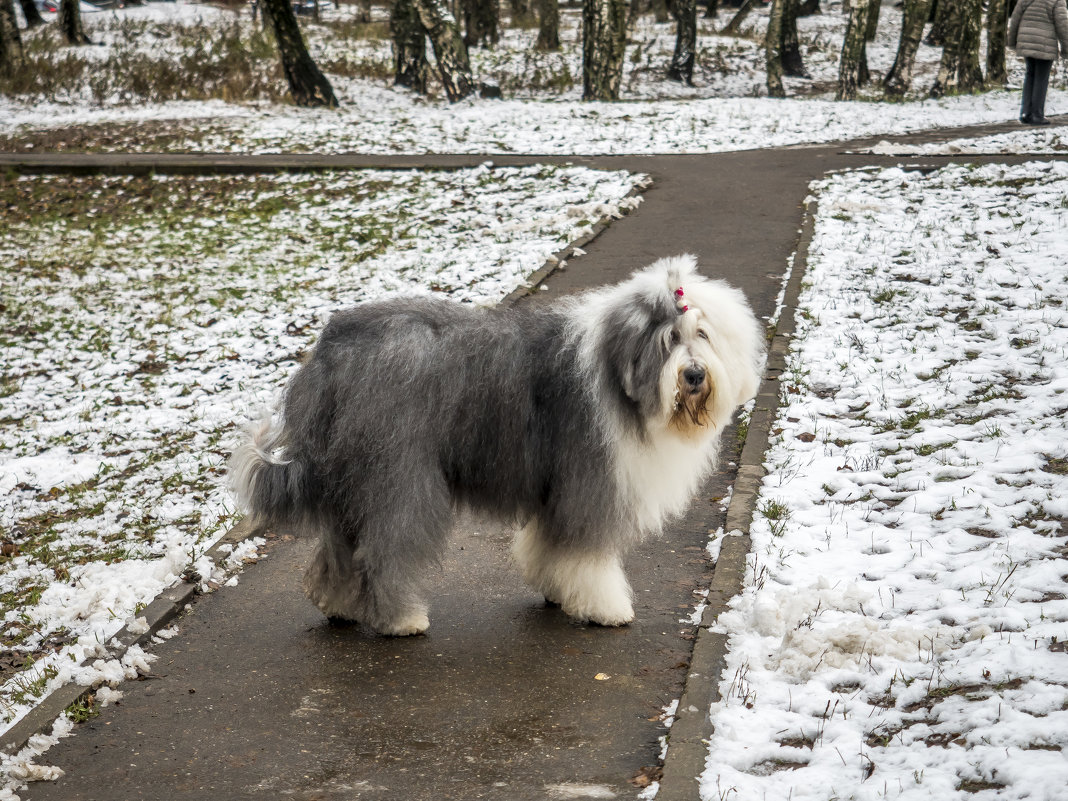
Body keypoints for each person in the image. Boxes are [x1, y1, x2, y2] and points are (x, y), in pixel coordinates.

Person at [1008, 0, 1068, 125]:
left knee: (1030, 75)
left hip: (1026, 39)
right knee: (1041, 78)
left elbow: (1015, 18)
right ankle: (1037, 115)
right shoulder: (1057, 1)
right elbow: (1062, 25)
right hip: (1045, 44)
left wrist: (1012, 41)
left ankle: (1025, 113)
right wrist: (1066, 48)